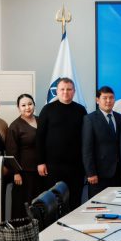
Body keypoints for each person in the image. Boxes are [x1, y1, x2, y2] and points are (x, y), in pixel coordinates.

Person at [36, 77, 87, 209]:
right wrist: (40, 162)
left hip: (76, 167)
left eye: (69, 89)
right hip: (53, 167)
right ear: (57, 91)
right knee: (54, 202)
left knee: (75, 200)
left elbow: (86, 138)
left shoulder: (81, 110)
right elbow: (40, 137)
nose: (65, 92)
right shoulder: (47, 109)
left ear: (74, 91)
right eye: (62, 89)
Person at [82, 86, 121, 198]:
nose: (108, 101)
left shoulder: (120, 118)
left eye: (111, 98)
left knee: (118, 203)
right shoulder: (90, 119)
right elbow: (87, 149)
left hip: (118, 173)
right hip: (99, 175)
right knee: (99, 205)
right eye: (105, 98)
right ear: (97, 100)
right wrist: (91, 173)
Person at [6, 94, 42, 219]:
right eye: (23, 105)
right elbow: (11, 152)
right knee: (24, 205)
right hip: (24, 173)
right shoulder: (14, 126)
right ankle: (24, 230)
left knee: (39, 203)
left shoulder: (40, 120)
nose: (27, 107)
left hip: (41, 171)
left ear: (34, 105)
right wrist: (16, 173)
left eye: (30, 104)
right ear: (18, 108)